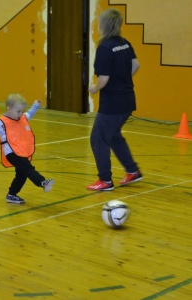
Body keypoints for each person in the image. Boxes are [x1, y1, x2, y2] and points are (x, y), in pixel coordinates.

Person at [86, 8, 142, 191]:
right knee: (114, 135)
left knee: (98, 139)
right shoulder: (124, 43)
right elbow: (136, 64)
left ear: (103, 25)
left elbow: (103, 80)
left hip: (113, 103)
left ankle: (105, 180)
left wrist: (94, 88)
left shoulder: (104, 47)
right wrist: (123, 78)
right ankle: (132, 171)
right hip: (127, 99)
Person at [0, 94, 54, 204]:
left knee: (22, 175)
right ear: (9, 109)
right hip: (12, 153)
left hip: (21, 152)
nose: (20, 114)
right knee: (28, 168)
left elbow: (29, 114)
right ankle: (42, 182)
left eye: (22, 111)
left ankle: (11, 194)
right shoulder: (1, 122)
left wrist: (36, 105)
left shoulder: (21, 117)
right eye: (18, 111)